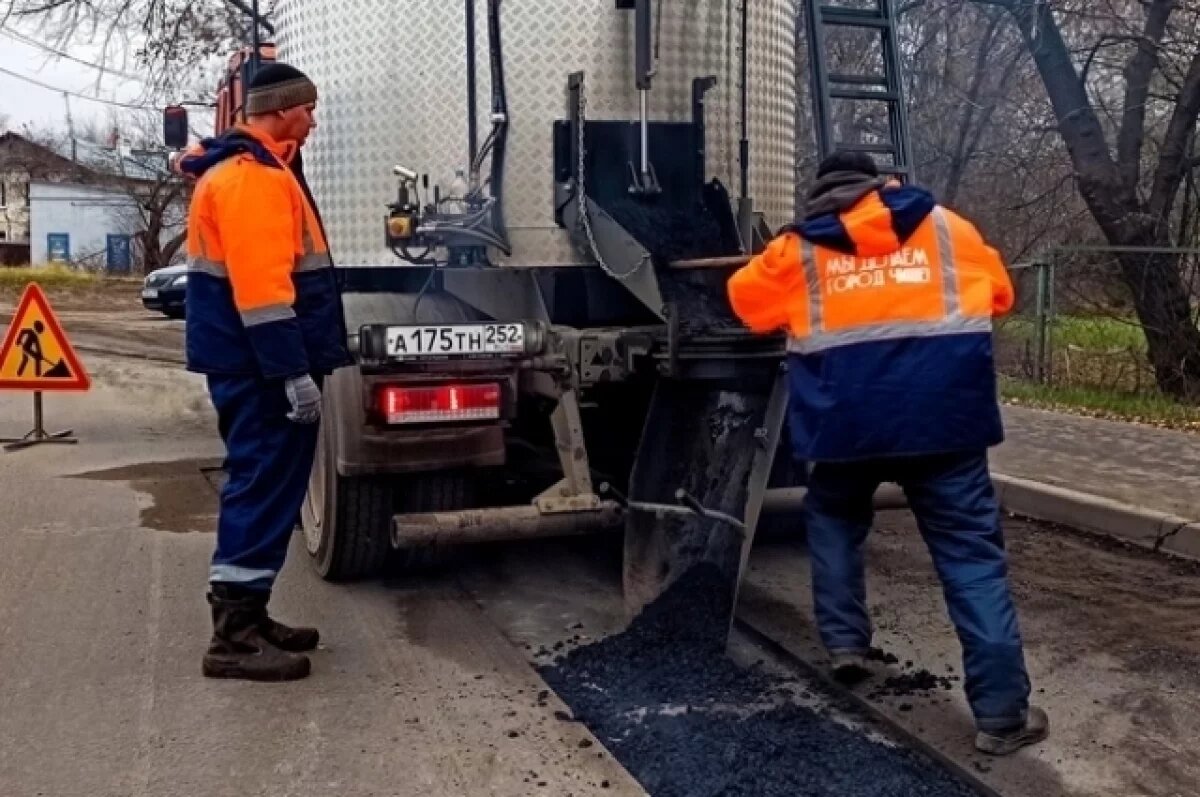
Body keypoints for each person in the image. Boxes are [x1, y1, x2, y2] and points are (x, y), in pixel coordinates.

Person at [727, 151, 1048, 756]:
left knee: (833, 520)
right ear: (886, 184)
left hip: (846, 427)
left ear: (822, 196)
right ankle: (1003, 716)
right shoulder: (950, 228)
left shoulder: (796, 249)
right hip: (947, 425)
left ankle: (846, 644)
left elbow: (746, 306)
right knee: (971, 561)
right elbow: (1001, 296)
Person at [179, 62, 352, 682]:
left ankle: (250, 616)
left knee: (269, 486)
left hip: (246, 364)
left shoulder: (253, 171)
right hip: (259, 369)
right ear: (281, 109)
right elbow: (262, 291)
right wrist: (291, 373)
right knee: (259, 483)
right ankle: (232, 641)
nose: (313, 117)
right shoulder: (251, 181)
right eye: (308, 107)